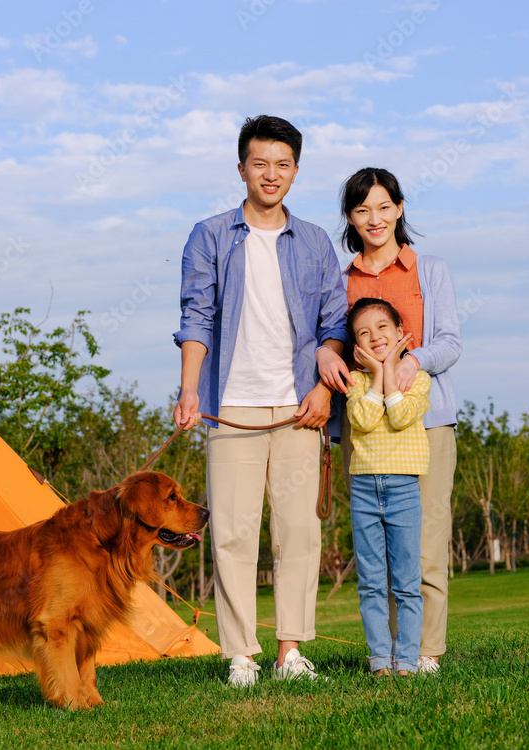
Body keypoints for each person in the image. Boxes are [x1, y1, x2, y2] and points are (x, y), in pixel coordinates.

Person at [173, 115, 349, 687]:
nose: (270, 174)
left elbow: (335, 323)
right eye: (260, 163)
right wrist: (188, 390)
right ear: (242, 168)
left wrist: (324, 390)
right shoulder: (211, 235)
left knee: (298, 533)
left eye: (282, 164)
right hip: (232, 407)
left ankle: (290, 651)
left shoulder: (317, 241)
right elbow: (196, 314)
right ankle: (240, 655)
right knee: (231, 531)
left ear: (295, 171)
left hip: (300, 409)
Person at [318, 167, 460, 675]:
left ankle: (425, 654)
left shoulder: (431, 270)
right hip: (363, 427)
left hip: (428, 421)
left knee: (424, 542)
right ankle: (388, 654)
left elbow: (450, 341)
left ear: (399, 208)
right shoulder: (340, 280)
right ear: (350, 219)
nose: (373, 219)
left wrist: (411, 361)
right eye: (361, 210)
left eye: (383, 207)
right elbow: (334, 341)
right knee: (378, 551)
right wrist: (323, 355)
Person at [345, 297, 430, 676]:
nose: (375, 336)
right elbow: (363, 419)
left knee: (408, 582)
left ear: (400, 333)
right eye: (364, 333)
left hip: (403, 488)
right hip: (364, 490)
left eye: (382, 328)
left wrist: (391, 370)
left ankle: (408, 661)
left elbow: (399, 415)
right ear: (357, 347)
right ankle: (380, 660)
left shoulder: (418, 379)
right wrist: (378, 374)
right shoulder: (355, 382)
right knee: (372, 582)